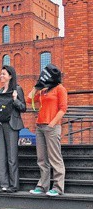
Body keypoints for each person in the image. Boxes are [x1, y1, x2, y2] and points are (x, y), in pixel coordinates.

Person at [26, 64, 67, 197]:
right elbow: (29, 99)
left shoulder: (60, 89)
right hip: (40, 126)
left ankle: (58, 187)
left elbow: (63, 109)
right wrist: (36, 87)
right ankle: (42, 186)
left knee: (55, 157)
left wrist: (52, 123)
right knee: (42, 158)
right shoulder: (43, 91)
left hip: (52, 127)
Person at [0, 66, 26, 193]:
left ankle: (14, 185)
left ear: (10, 76)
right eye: (1, 74)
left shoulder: (17, 89)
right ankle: (4, 184)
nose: (1, 76)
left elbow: (23, 107)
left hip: (11, 125)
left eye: (3, 74)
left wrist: (15, 100)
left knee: (12, 156)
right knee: (1, 156)